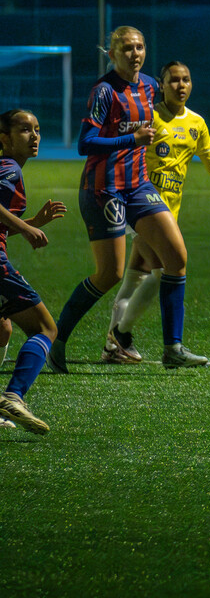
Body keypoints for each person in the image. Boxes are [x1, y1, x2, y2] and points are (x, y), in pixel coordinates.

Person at [47, 26, 207, 373]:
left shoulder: (149, 85)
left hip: (138, 186)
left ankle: (173, 349)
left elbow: (169, 115)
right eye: (127, 48)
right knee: (110, 273)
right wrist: (132, 139)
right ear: (112, 54)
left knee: (176, 258)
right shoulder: (104, 91)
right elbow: (85, 143)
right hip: (104, 188)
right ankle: (55, 339)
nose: (135, 54)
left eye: (139, 47)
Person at [101, 60, 210, 364]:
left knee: (136, 278)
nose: (180, 85)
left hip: (167, 213)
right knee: (164, 271)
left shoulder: (196, 123)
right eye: (174, 80)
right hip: (140, 208)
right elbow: (123, 154)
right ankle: (123, 335)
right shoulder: (149, 117)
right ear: (161, 85)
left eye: (186, 79)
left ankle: (112, 348)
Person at [0, 109, 67, 434]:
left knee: (3, 329)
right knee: (45, 328)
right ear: (4, 138)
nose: (35, 135)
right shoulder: (9, 168)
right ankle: (13, 396)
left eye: (37, 129)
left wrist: (32, 222)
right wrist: (26, 229)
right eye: (25, 130)